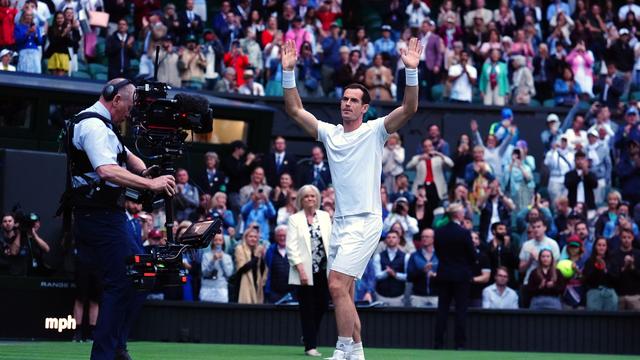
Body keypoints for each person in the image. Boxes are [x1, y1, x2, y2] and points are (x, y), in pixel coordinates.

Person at [281, 36, 421, 360]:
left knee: (334, 286)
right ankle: (357, 352)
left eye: (353, 100)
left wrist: (410, 72)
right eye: (344, 98)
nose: (346, 103)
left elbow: (410, 108)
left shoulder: (375, 131)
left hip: (367, 222)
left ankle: (341, 350)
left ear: (364, 107)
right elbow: (294, 109)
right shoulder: (330, 134)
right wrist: (289, 73)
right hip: (341, 224)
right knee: (344, 293)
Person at [65, 78, 176, 360]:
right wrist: (151, 185)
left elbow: (126, 156)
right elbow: (106, 170)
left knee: (144, 275)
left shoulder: (105, 127)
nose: (132, 111)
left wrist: (146, 171)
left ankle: (116, 346)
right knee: (125, 281)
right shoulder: (92, 126)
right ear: (116, 100)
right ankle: (106, 353)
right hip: (99, 217)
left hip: (110, 217)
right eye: (131, 104)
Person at [286, 185, 331, 357]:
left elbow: (331, 241)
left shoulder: (325, 216)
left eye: (313, 196)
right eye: (306, 197)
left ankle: (307, 336)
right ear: (301, 200)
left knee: (323, 305)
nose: (310, 199)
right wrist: (301, 270)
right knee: (307, 309)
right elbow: (291, 247)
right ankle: (310, 346)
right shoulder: (294, 219)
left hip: (323, 270)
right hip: (304, 272)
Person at [433, 203, 475, 350]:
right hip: (461, 276)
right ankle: (460, 344)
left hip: (444, 273)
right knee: (460, 310)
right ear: (457, 215)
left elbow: (438, 253)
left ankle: (438, 343)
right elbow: (472, 255)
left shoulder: (439, 232)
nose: (464, 214)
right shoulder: (464, 233)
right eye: (462, 212)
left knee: (442, 310)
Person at [406, 138, 453, 228]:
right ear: (423, 148)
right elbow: (408, 166)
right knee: (422, 208)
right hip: (422, 188)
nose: (428, 148)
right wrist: (420, 158)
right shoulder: (418, 158)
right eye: (425, 146)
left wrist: (439, 154)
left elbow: (451, 164)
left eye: (430, 146)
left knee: (435, 209)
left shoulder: (438, 158)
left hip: (436, 188)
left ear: (433, 146)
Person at [373, 230, 409, 306]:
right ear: (385, 240)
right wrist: (386, 272)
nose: (391, 239)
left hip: (398, 296)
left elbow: (407, 276)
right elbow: (376, 276)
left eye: (394, 237)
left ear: (399, 240)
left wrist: (395, 274)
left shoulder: (406, 256)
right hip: (381, 295)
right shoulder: (378, 256)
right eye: (388, 237)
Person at [583, 237, 618, 311]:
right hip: (594, 293)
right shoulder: (589, 261)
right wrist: (597, 268)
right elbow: (587, 279)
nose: (601, 247)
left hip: (610, 293)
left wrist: (605, 269)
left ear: (607, 247)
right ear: (595, 246)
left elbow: (616, 278)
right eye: (599, 245)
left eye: (603, 245)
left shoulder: (613, 260)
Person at [609, 228, 640, 310]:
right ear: (620, 238)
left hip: (635, 296)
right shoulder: (613, 255)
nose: (626, 240)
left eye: (629, 237)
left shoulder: (638, 254)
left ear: (632, 238)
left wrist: (633, 267)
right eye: (624, 237)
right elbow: (612, 277)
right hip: (618, 296)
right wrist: (624, 267)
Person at [407, 228, 439, 308]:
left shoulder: (440, 255)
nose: (424, 239)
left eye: (427, 237)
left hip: (436, 296)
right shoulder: (414, 255)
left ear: (433, 239)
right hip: (418, 296)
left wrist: (436, 275)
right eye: (422, 237)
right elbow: (409, 277)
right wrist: (423, 271)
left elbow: (447, 274)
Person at [234, 227, 267, 304]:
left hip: (256, 284)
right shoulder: (240, 249)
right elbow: (242, 269)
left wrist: (262, 257)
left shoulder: (257, 250)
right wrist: (256, 256)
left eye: (255, 237)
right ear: (245, 238)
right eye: (250, 236)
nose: (253, 239)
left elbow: (262, 270)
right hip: (243, 285)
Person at [200, 233, 234, 303]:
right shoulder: (206, 256)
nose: (218, 242)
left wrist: (222, 260)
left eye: (220, 240)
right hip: (207, 290)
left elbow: (229, 274)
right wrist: (213, 260)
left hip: (221, 290)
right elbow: (205, 273)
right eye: (215, 240)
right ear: (212, 241)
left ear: (223, 242)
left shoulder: (227, 257)